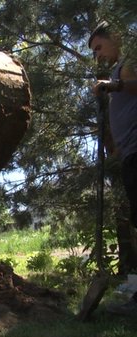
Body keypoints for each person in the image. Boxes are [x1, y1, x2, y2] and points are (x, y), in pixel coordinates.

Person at [89, 21, 137, 316]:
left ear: (115, 38)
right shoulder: (119, 72)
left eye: (99, 47)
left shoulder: (129, 64)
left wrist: (113, 85)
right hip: (130, 155)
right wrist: (111, 142)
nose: (97, 56)